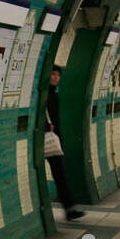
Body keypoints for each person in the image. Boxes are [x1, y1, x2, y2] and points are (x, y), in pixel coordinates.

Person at [45, 65, 85, 220]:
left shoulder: (53, 94)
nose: (56, 78)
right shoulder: (45, 95)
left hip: (53, 139)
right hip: (46, 138)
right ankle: (69, 208)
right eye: (53, 74)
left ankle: (69, 208)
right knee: (59, 173)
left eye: (58, 75)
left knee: (60, 173)